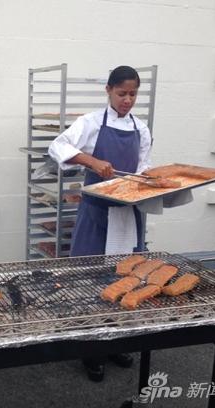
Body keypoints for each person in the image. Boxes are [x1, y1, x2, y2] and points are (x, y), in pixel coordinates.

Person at [48, 66, 152, 382]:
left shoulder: (142, 129)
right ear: (108, 90)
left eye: (133, 94)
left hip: (127, 212)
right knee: (91, 280)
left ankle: (115, 342)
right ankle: (91, 350)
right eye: (122, 93)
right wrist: (91, 161)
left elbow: (143, 167)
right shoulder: (91, 123)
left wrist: (149, 180)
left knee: (124, 279)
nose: (127, 100)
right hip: (96, 212)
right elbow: (57, 147)